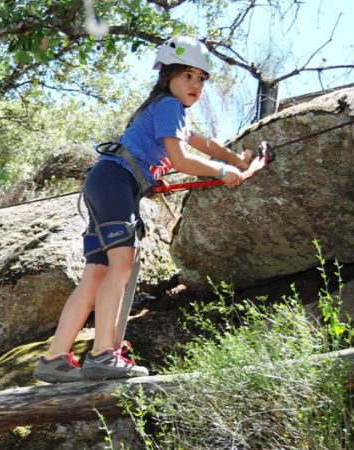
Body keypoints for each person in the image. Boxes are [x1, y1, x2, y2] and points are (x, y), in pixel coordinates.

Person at [33, 36, 265, 382]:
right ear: (168, 75)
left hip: (106, 182)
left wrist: (238, 159)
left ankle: (54, 359)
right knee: (121, 263)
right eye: (188, 76)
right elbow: (182, 158)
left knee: (96, 274)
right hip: (116, 183)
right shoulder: (169, 107)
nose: (196, 85)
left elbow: (204, 143)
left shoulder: (165, 110)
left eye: (202, 79)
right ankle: (102, 355)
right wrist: (223, 171)